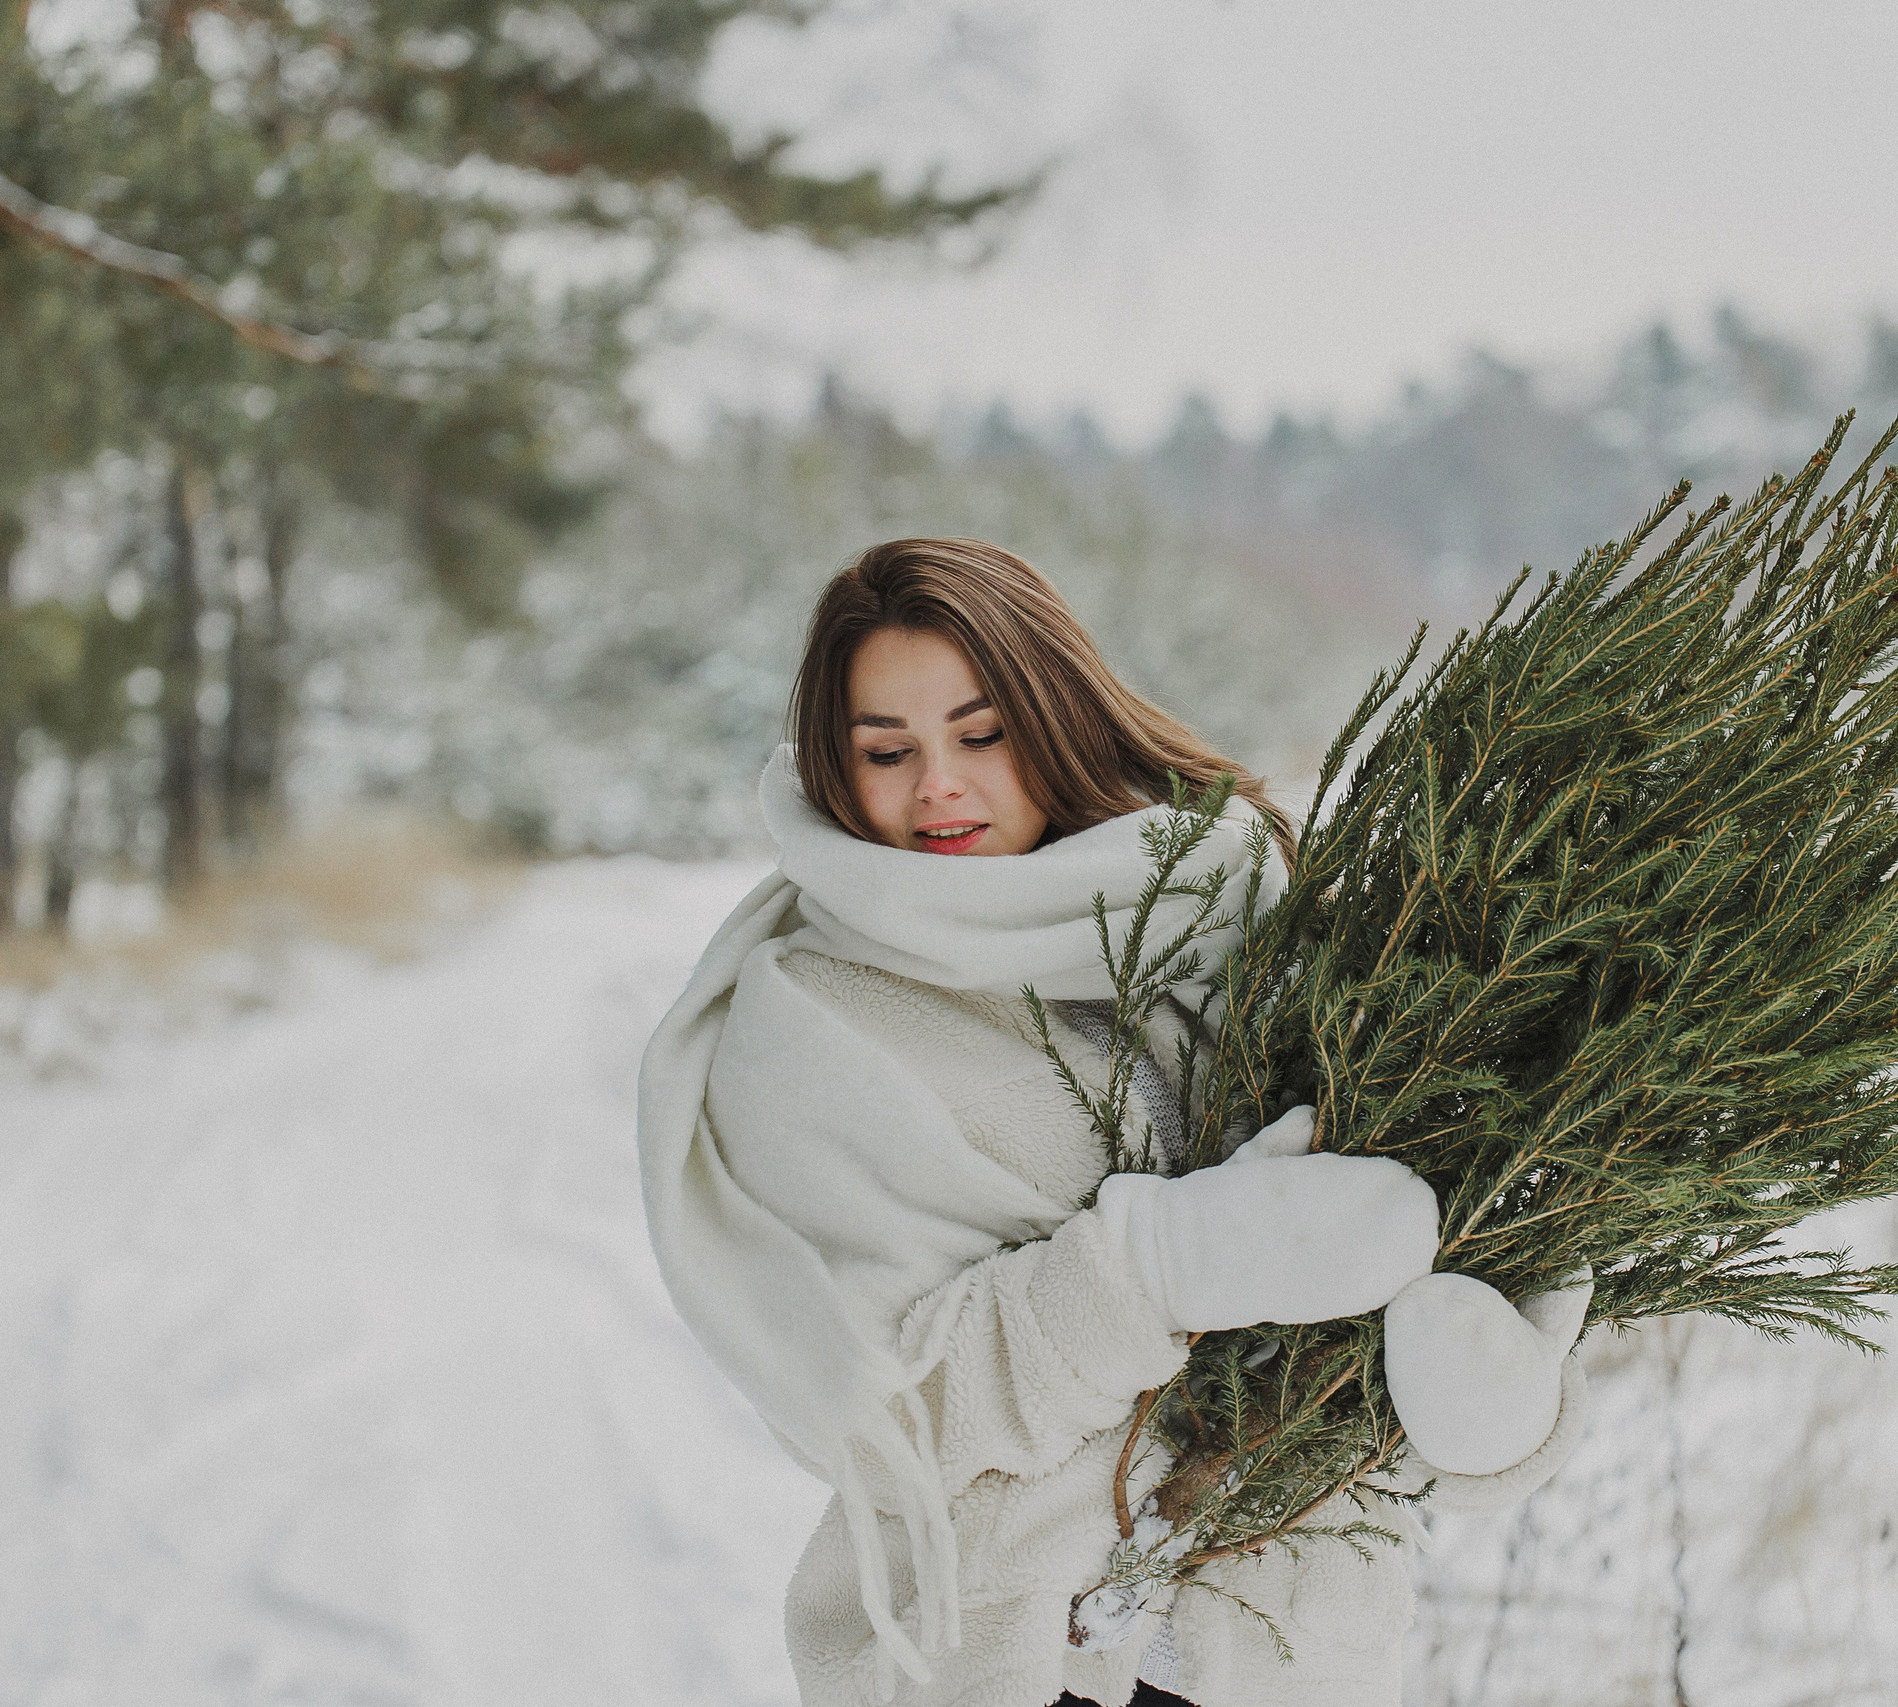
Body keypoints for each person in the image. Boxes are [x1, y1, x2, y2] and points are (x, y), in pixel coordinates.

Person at [637, 537, 1593, 1707]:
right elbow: (887, 1409)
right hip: (1009, 1660)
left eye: (980, 735)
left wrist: (1497, 1412)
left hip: (1286, 1660)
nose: (937, 783)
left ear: (1056, 718)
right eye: (887, 751)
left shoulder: (1235, 914)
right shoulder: (812, 1022)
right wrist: (1161, 1268)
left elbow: (1430, 1254)